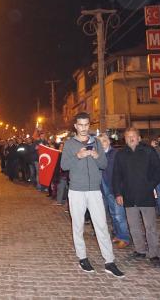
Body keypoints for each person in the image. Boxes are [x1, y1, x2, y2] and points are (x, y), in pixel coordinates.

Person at [60, 112, 124, 278]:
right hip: (76, 191)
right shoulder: (69, 144)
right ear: (75, 126)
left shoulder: (96, 142)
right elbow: (64, 166)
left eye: (86, 124)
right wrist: (78, 156)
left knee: (101, 225)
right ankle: (82, 257)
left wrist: (96, 156)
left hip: (95, 190)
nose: (83, 128)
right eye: (80, 125)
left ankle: (109, 261)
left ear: (89, 125)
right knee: (78, 226)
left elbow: (104, 164)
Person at [112, 128, 160, 268]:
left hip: (146, 195)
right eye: (128, 137)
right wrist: (118, 193)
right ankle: (140, 250)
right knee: (133, 226)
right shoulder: (121, 154)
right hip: (128, 196)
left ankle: (154, 254)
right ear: (125, 139)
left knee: (150, 227)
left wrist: (150, 185)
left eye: (133, 136)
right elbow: (116, 175)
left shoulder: (148, 151)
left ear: (139, 138)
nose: (131, 139)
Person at [97, 134, 130, 249]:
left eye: (104, 141)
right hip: (102, 187)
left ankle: (125, 238)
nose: (102, 144)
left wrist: (120, 190)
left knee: (119, 214)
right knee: (112, 214)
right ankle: (118, 234)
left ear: (109, 142)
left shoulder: (115, 154)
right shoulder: (98, 154)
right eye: (100, 142)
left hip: (114, 187)